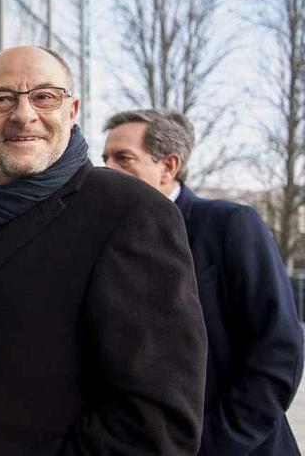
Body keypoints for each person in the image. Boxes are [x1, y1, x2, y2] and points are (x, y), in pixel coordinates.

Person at [0, 46, 208, 455]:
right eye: (2, 98)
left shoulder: (130, 212)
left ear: (71, 111)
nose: (24, 114)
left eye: (45, 96)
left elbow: (155, 423)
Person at [103, 109, 304, 455]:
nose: (106, 169)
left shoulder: (230, 225)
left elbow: (278, 352)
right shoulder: (106, 240)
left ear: (168, 166)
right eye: (104, 158)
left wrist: (212, 445)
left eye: (123, 158)